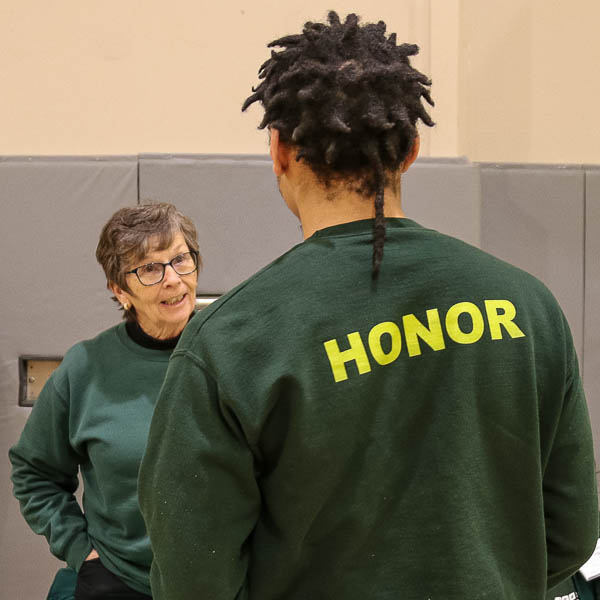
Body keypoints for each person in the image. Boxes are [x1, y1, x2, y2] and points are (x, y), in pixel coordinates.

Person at [138, 12, 598, 599]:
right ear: (410, 150)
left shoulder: (231, 342)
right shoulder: (529, 307)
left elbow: (193, 579)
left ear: (278, 149)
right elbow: (570, 533)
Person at [10, 202, 201, 600]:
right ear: (120, 290)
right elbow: (34, 472)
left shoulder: (234, 354)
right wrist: (84, 553)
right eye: (149, 268)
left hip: (220, 583)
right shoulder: (84, 368)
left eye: (180, 259)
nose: (172, 279)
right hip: (119, 580)